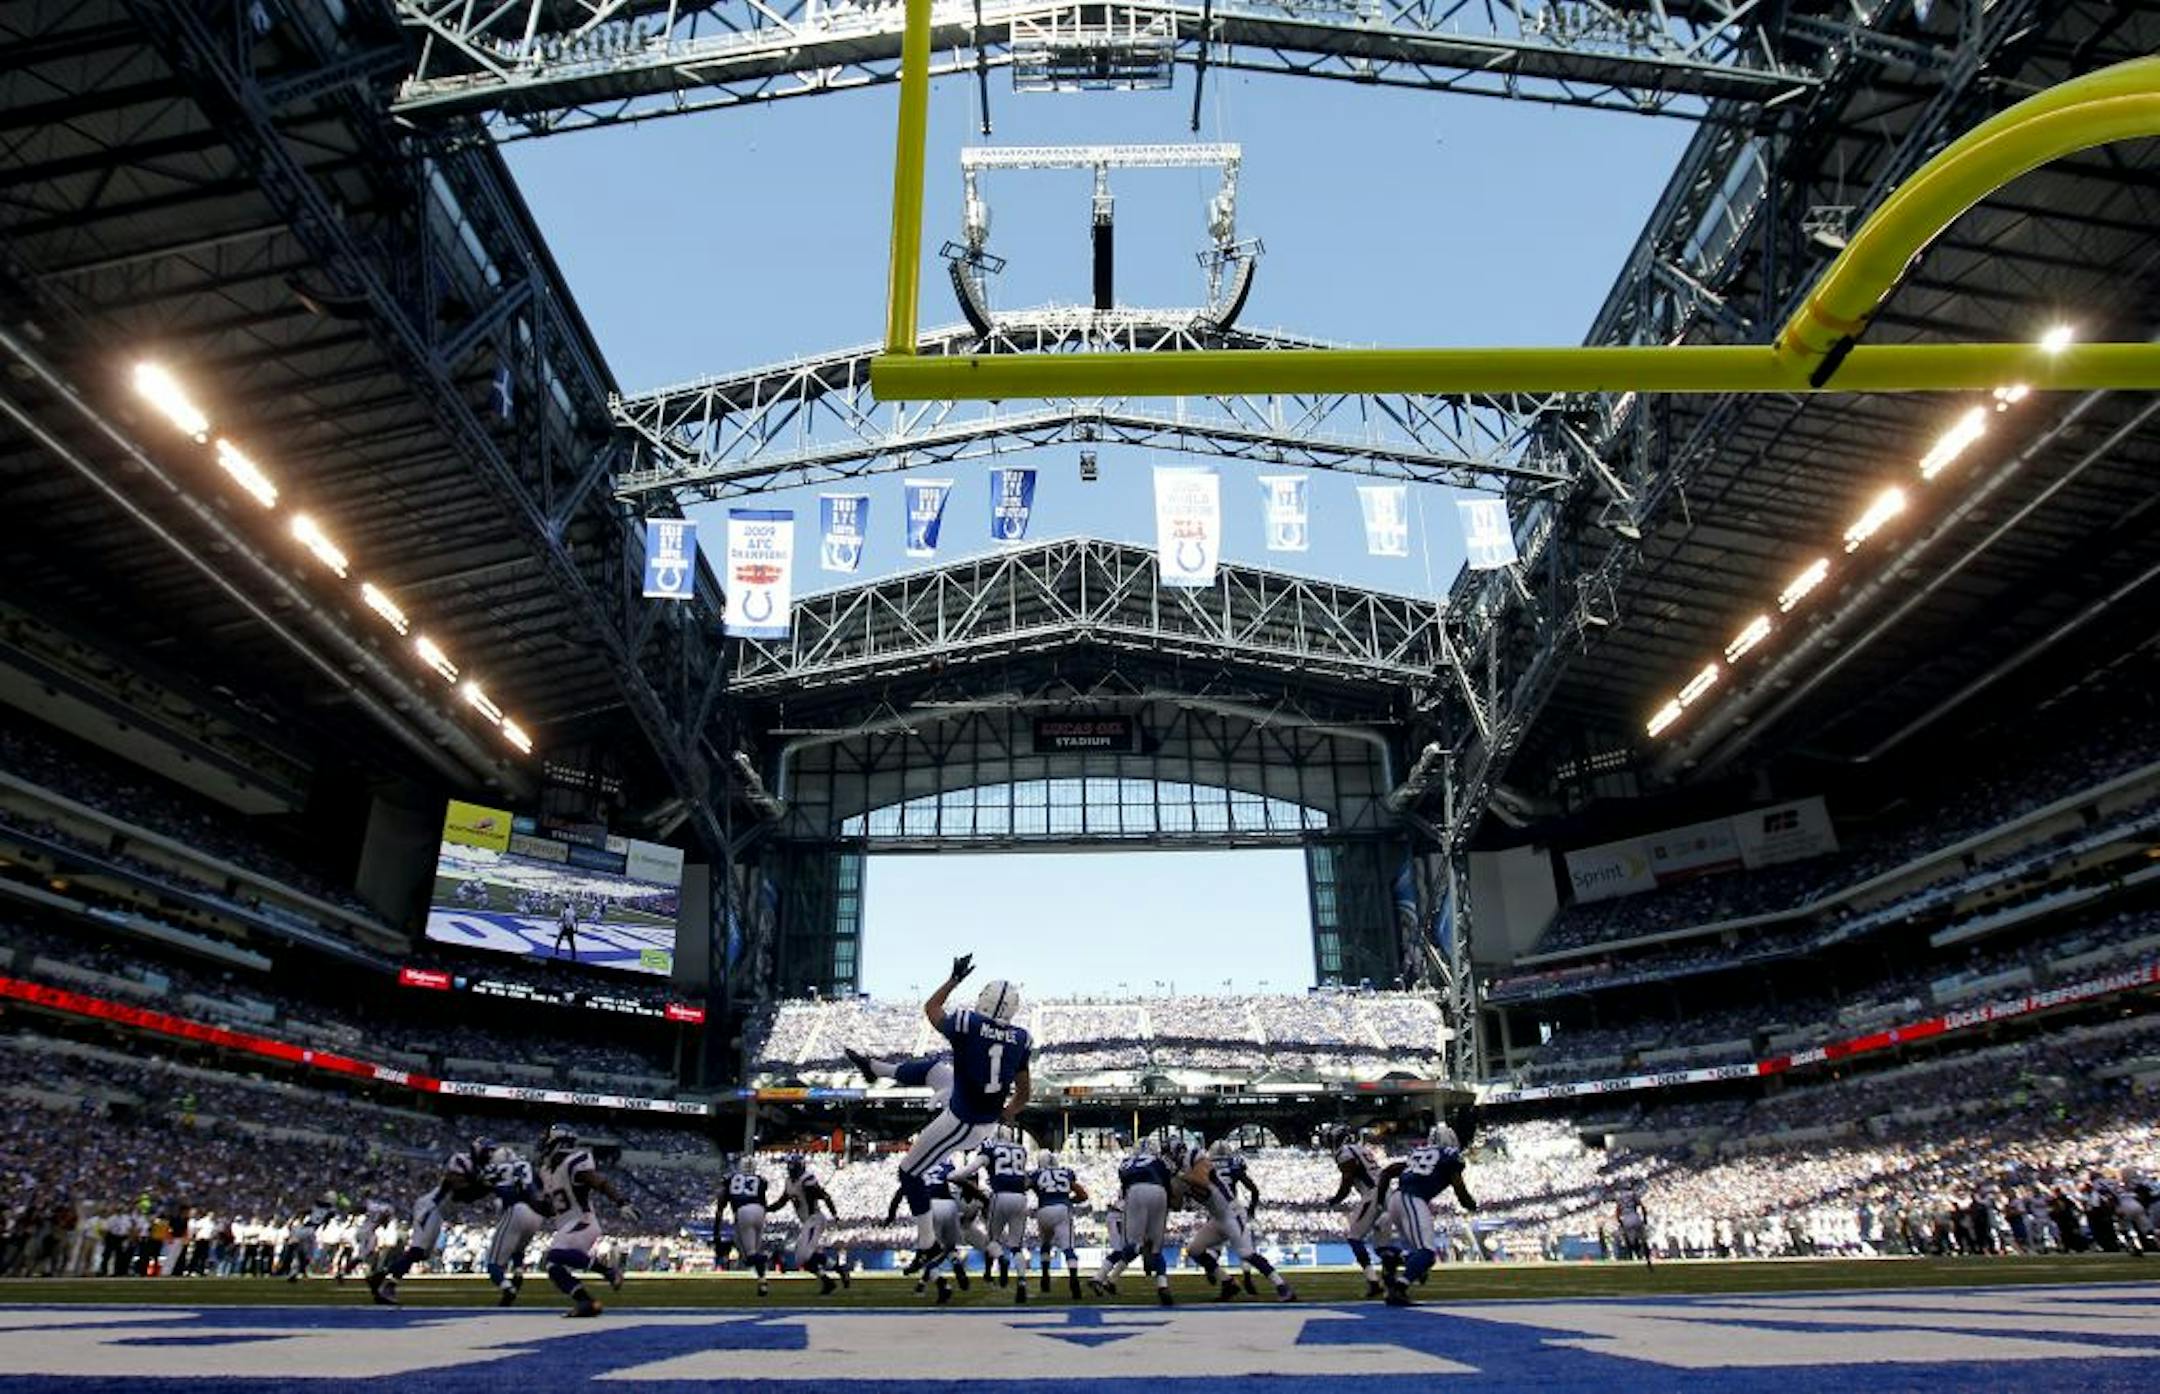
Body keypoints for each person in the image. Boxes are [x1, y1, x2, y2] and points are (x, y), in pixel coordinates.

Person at [887, 954, 1032, 1276]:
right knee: (918, 1173)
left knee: (909, 1172)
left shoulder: (970, 1022)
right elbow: (1024, 1094)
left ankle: (927, 1246)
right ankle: (942, 1249)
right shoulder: (1021, 1039)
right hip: (988, 1125)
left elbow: (932, 1010)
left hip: (963, 1117)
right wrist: (1007, 1113)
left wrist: (953, 980)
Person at [373, 1138, 497, 1306]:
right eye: (488, 1151)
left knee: (422, 1254)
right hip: (430, 1206)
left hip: (438, 1212)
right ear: (478, 1150)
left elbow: (470, 1196)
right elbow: (460, 1188)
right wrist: (485, 1185)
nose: (490, 1155)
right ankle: (388, 1285)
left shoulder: (480, 1169)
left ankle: (378, 1278)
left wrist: (487, 1186)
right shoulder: (461, 1160)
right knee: (417, 1250)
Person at [534, 1124, 639, 1319]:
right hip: (568, 1225)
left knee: (554, 1256)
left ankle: (608, 1272)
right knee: (553, 1268)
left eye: (547, 1142)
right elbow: (550, 1208)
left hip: (583, 1222)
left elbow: (599, 1182)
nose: (543, 1147)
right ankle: (587, 1302)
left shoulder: (573, 1163)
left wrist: (621, 1202)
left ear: (557, 1144)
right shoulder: (548, 1173)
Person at [1373, 1124, 1477, 1307]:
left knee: (1420, 1254)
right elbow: (1457, 1183)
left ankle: (1394, 1257)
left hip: (1397, 1199)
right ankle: (1399, 1288)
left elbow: (1389, 1171)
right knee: (1427, 1254)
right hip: (1413, 1199)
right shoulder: (1450, 1155)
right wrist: (1468, 1202)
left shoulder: (1419, 1153)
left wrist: (1381, 1201)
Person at [1181, 1141, 1295, 1303]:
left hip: (1233, 1215)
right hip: (1218, 1218)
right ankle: (1228, 1282)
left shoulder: (1205, 1172)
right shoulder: (1218, 1168)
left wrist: (1181, 1177)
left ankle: (1282, 1286)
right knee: (1194, 1249)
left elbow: (1202, 1184)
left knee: (1246, 1253)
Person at [949, 1135, 1034, 1302]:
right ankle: (1022, 1282)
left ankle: (1001, 1258)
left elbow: (968, 1170)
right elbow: (1025, 1179)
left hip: (999, 1196)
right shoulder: (1021, 1150)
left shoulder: (990, 1150)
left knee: (993, 1240)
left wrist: (952, 1176)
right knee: (1016, 1246)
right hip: (1020, 1198)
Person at [1103, 1137, 1176, 1307]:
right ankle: (1162, 1285)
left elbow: (1124, 1186)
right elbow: (1168, 1184)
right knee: (1157, 1246)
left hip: (1136, 1192)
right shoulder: (1159, 1161)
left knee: (1133, 1243)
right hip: (1159, 1192)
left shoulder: (1127, 1162)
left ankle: (1139, 1250)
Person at [1326, 1125, 1395, 1298]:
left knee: (1354, 1238)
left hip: (1373, 1194)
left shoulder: (1345, 1153)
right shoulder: (1360, 1149)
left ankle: (1373, 1282)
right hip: (1387, 1193)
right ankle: (1392, 1284)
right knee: (1382, 1247)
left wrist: (1335, 1199)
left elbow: (1347, 1182)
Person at [483, 1149, 547, 1306]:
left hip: (517, 1209)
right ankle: (518, 1272)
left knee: (493, 1265)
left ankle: (507, 1288)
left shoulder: (498, 1168)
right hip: (537, 1213)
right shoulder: (528, 1166)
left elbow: (489, 1185)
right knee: (518, 1249)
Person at [781, 1154, 849, 1295]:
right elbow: (781, 1201)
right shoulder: (789, 1182)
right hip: (808, 1222)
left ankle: (832, 1277)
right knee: (803, 1259)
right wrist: (765, 1209)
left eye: (794, 1167)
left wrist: (835, 1215)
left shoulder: (807, 1180)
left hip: (815, 1220)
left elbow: (825, 1196)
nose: (792, 1169)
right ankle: (831, 1277)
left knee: (803, 1256)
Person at [1030, 1149, 1088, 1300]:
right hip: (1062, 1209)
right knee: (1068, 1248)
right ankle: (1074, 1280)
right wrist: (1070, 1201)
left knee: (1045, 1244)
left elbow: (1025, 1186)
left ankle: (1045, 1276)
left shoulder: (1036, 1174)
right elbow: (1083, 1195)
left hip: (1043, 1210)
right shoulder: (1065, 1173)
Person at [723, 1156, 772, 1297]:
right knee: (754, 1251)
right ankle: (762, 1282)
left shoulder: (730, 1179)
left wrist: (717, 1225)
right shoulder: (761, 1180)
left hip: (743, 1212)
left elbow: (723, 1198)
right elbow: (763, 1198)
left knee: (749, 1255)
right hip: (759, 1211)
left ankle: (765, 1259)